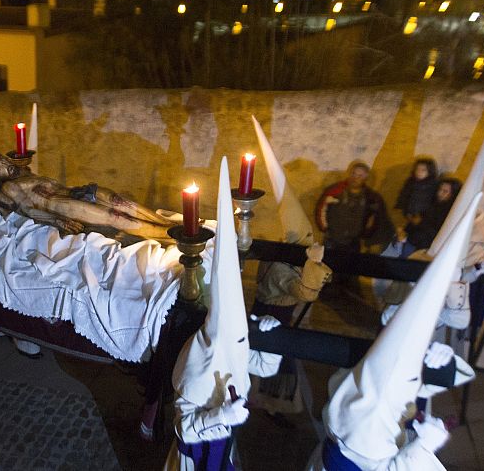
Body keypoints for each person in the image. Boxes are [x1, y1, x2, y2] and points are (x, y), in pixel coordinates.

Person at [306, 194, 479, 471]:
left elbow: (457, 320)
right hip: (397, 344)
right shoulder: (354, 418)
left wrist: (442, 362)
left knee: (404, 393)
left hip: (416, 350)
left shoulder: (359, 412)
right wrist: (423, 448)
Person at [165, 157, 281, 471]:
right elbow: (183, 429)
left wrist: (273, 337)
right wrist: (220, 417)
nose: (241, 343)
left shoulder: (235, 343)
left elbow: (263, 366)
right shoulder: (199, 360)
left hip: (223, 449)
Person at [251, 116, 332, 415]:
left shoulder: (283, 262)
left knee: (272, 353)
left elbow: (304, 288)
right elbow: (301, 290)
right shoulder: (281, 264)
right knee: (265, 351)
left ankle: (273, 400)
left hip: (273, 310)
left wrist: (314, 269)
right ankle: (264, 398)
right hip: (269, 309)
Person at [0, 153, 178, 244]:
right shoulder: (10, 186)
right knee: (116, 217)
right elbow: (28, 210)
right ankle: (173, 236)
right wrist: (57, 220)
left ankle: (169, 223)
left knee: (120, 201)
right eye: (0, 168)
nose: (6, 165)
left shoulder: (26, 172)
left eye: (3, 161)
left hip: (74, 191)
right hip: (63, 205)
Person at [315, 161, 389, 253]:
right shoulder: (335, 190)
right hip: (332, 240)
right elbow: (321, 209)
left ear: (365, 178)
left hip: (354, 243)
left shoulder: (371, 197)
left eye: (360, 176)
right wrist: (324, 228)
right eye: (353, 174)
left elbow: (373, 218)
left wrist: (366, 234)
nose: (355, 178)